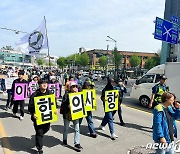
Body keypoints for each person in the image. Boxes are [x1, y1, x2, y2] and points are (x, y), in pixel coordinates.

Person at [28, 79, 57, 154]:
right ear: (39, 85)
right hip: (38, 118)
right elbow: (30, 107)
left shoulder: (50, 93)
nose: (45, 85)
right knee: (39, 132)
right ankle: (39, 149)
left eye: (46, 83)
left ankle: (38, 137)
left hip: (47, 117)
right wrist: (33, 113)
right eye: (43, 83)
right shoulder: (35, 94)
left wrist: (55, 109)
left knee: (47, 129)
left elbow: (54, 103)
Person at [60, 81, 82, 152]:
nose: (74, 88)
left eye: (75, 86)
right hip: (67, 114)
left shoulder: (78, 94)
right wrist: (67, 106)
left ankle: (77, 143)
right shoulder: (66, 95)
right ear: (70, 87)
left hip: (76, 114)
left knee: (77, 129)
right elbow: (63, 104)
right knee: (66, 128)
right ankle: (64, 140)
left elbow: (81, 102)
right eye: (73, 86)